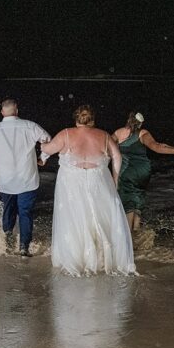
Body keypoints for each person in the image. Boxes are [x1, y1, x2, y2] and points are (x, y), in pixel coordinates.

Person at [39, 104, 136, 276]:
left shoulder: (66, 134)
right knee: (100, 218)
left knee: (74, 218)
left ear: (76, 119)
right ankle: (102, 259)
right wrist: (115, 178)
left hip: (72, 183)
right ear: (93, 119)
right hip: (99, 181)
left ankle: (79, 259)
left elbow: (48, 149)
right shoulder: (104, 135)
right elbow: (117, 157)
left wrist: (43, 145)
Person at [0, 98, 52, 257]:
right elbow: (47, 140)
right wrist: (43, 157)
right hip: (26, 178)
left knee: (8, 211)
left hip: (6, 179)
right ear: (17, 111)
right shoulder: (30, 126)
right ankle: (23, 247)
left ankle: (6, 243)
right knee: (25, 212)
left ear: (2, 112)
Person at [111, 111, 174, 233]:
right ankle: (136, 229)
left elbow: (106, 148)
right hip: (143, 172)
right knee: (138, 196)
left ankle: (128, 236)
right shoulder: (143, 133)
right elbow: (157, 146)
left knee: (128, 200)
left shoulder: (118, 133)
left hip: (127, 172)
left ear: (128, 120)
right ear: (140, 123)